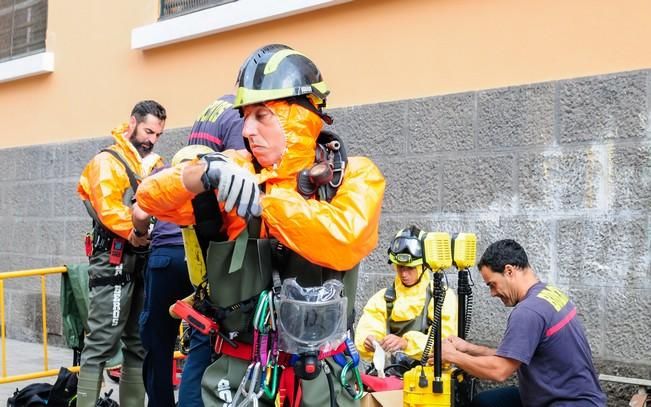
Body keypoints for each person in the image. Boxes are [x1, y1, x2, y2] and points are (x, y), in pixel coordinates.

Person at [135, 43, 385, 407]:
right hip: (238, 379)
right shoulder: (231, 170)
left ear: (300, 118)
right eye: (244, 115)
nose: (247, 129)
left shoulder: (355, 176)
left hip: (322, 380)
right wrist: (203, 174)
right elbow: (149, 198)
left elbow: (344, 237)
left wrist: (264, 196)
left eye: (262, 115)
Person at [135, 94, 247, 407]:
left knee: (156, 340)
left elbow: (140, 213)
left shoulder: (166, 174)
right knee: (201, 343)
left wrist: (136, 235)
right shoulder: (219, 176)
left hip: (164, 259)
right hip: (203, 267)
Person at [439, 239, 606, 407]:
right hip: (582, 398)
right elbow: (513, 355)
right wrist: (468, 348)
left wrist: (452, 356)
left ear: (509, 271)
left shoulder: (528, 311)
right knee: (485, 402)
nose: (492, 293)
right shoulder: (548, 293)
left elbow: (499, 370)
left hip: (566, 403)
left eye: (492, 284)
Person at [77, 100, 167, 407]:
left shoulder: (154, 164)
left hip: (144, 260)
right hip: (113, 260)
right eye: (148, 131)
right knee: (101, 342)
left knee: (138, 344)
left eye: (157, 134)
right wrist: (136, 232)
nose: (151, 139)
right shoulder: (107, 162)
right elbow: (109, 209)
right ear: (132, 123)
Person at [355, 226, 458, 374]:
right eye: (400, 267)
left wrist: (406, 343)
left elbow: (446, 344)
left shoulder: (441, 296)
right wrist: (370, 340)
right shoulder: (384, 298)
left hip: (429, 377)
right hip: (391, 376)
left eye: (410, 268)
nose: (404, 273)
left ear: (424, 265)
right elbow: (369, 326)